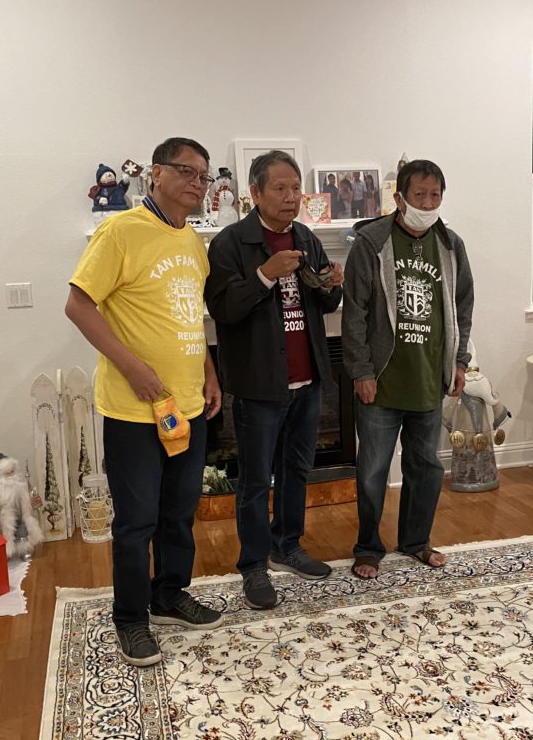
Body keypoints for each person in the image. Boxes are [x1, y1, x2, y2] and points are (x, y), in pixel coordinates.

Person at [65, 137, 223, 667]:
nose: (196, 182)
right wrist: (131, 366)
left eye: (203, 175)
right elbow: (78, 305)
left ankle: (168, 593)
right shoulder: (120, 231)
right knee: (136, 522)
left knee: (179, 511)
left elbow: (191, 317)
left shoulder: (194, 243)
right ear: (156, 173)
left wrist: (208, 372)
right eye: (185, 170)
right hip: (133, 410)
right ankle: (130, 618)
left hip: (188, 403)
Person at [205, 150, 344, 609]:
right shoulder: (229, 243)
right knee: (253, 481)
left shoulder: (305, 236)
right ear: (255, 193)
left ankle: (289, 545)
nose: (290, 197)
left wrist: (332, 284)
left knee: (296, 470)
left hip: (309, 380)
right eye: (280, 189)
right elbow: (222, 309)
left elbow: (324, 307)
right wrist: (265, 275)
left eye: (295, 188)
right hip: (258, 385)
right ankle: (253, 565)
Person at [341, 158, 474, 579]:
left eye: (435, 195)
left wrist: (459, 360)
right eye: (420, 195)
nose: (429, 202)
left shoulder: (451, 245)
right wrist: (361, 370)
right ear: (399, 198)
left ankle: (416, 540)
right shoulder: (372, 242)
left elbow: (462, 306)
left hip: (427, 379)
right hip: (381, 381)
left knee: (426, 466)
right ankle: (367, 547)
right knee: (373, 470)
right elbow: (355, 312)